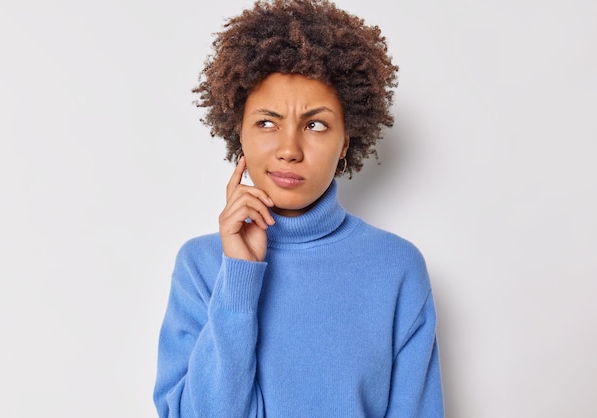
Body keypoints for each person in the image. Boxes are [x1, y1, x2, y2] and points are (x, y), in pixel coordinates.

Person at [153, 0, 444, 416]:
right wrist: (239, 277)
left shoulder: (396, 267)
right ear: (240, 134)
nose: (289, 150)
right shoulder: (201, 265)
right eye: (267, 123)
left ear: (345, 142)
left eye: (316, 125)